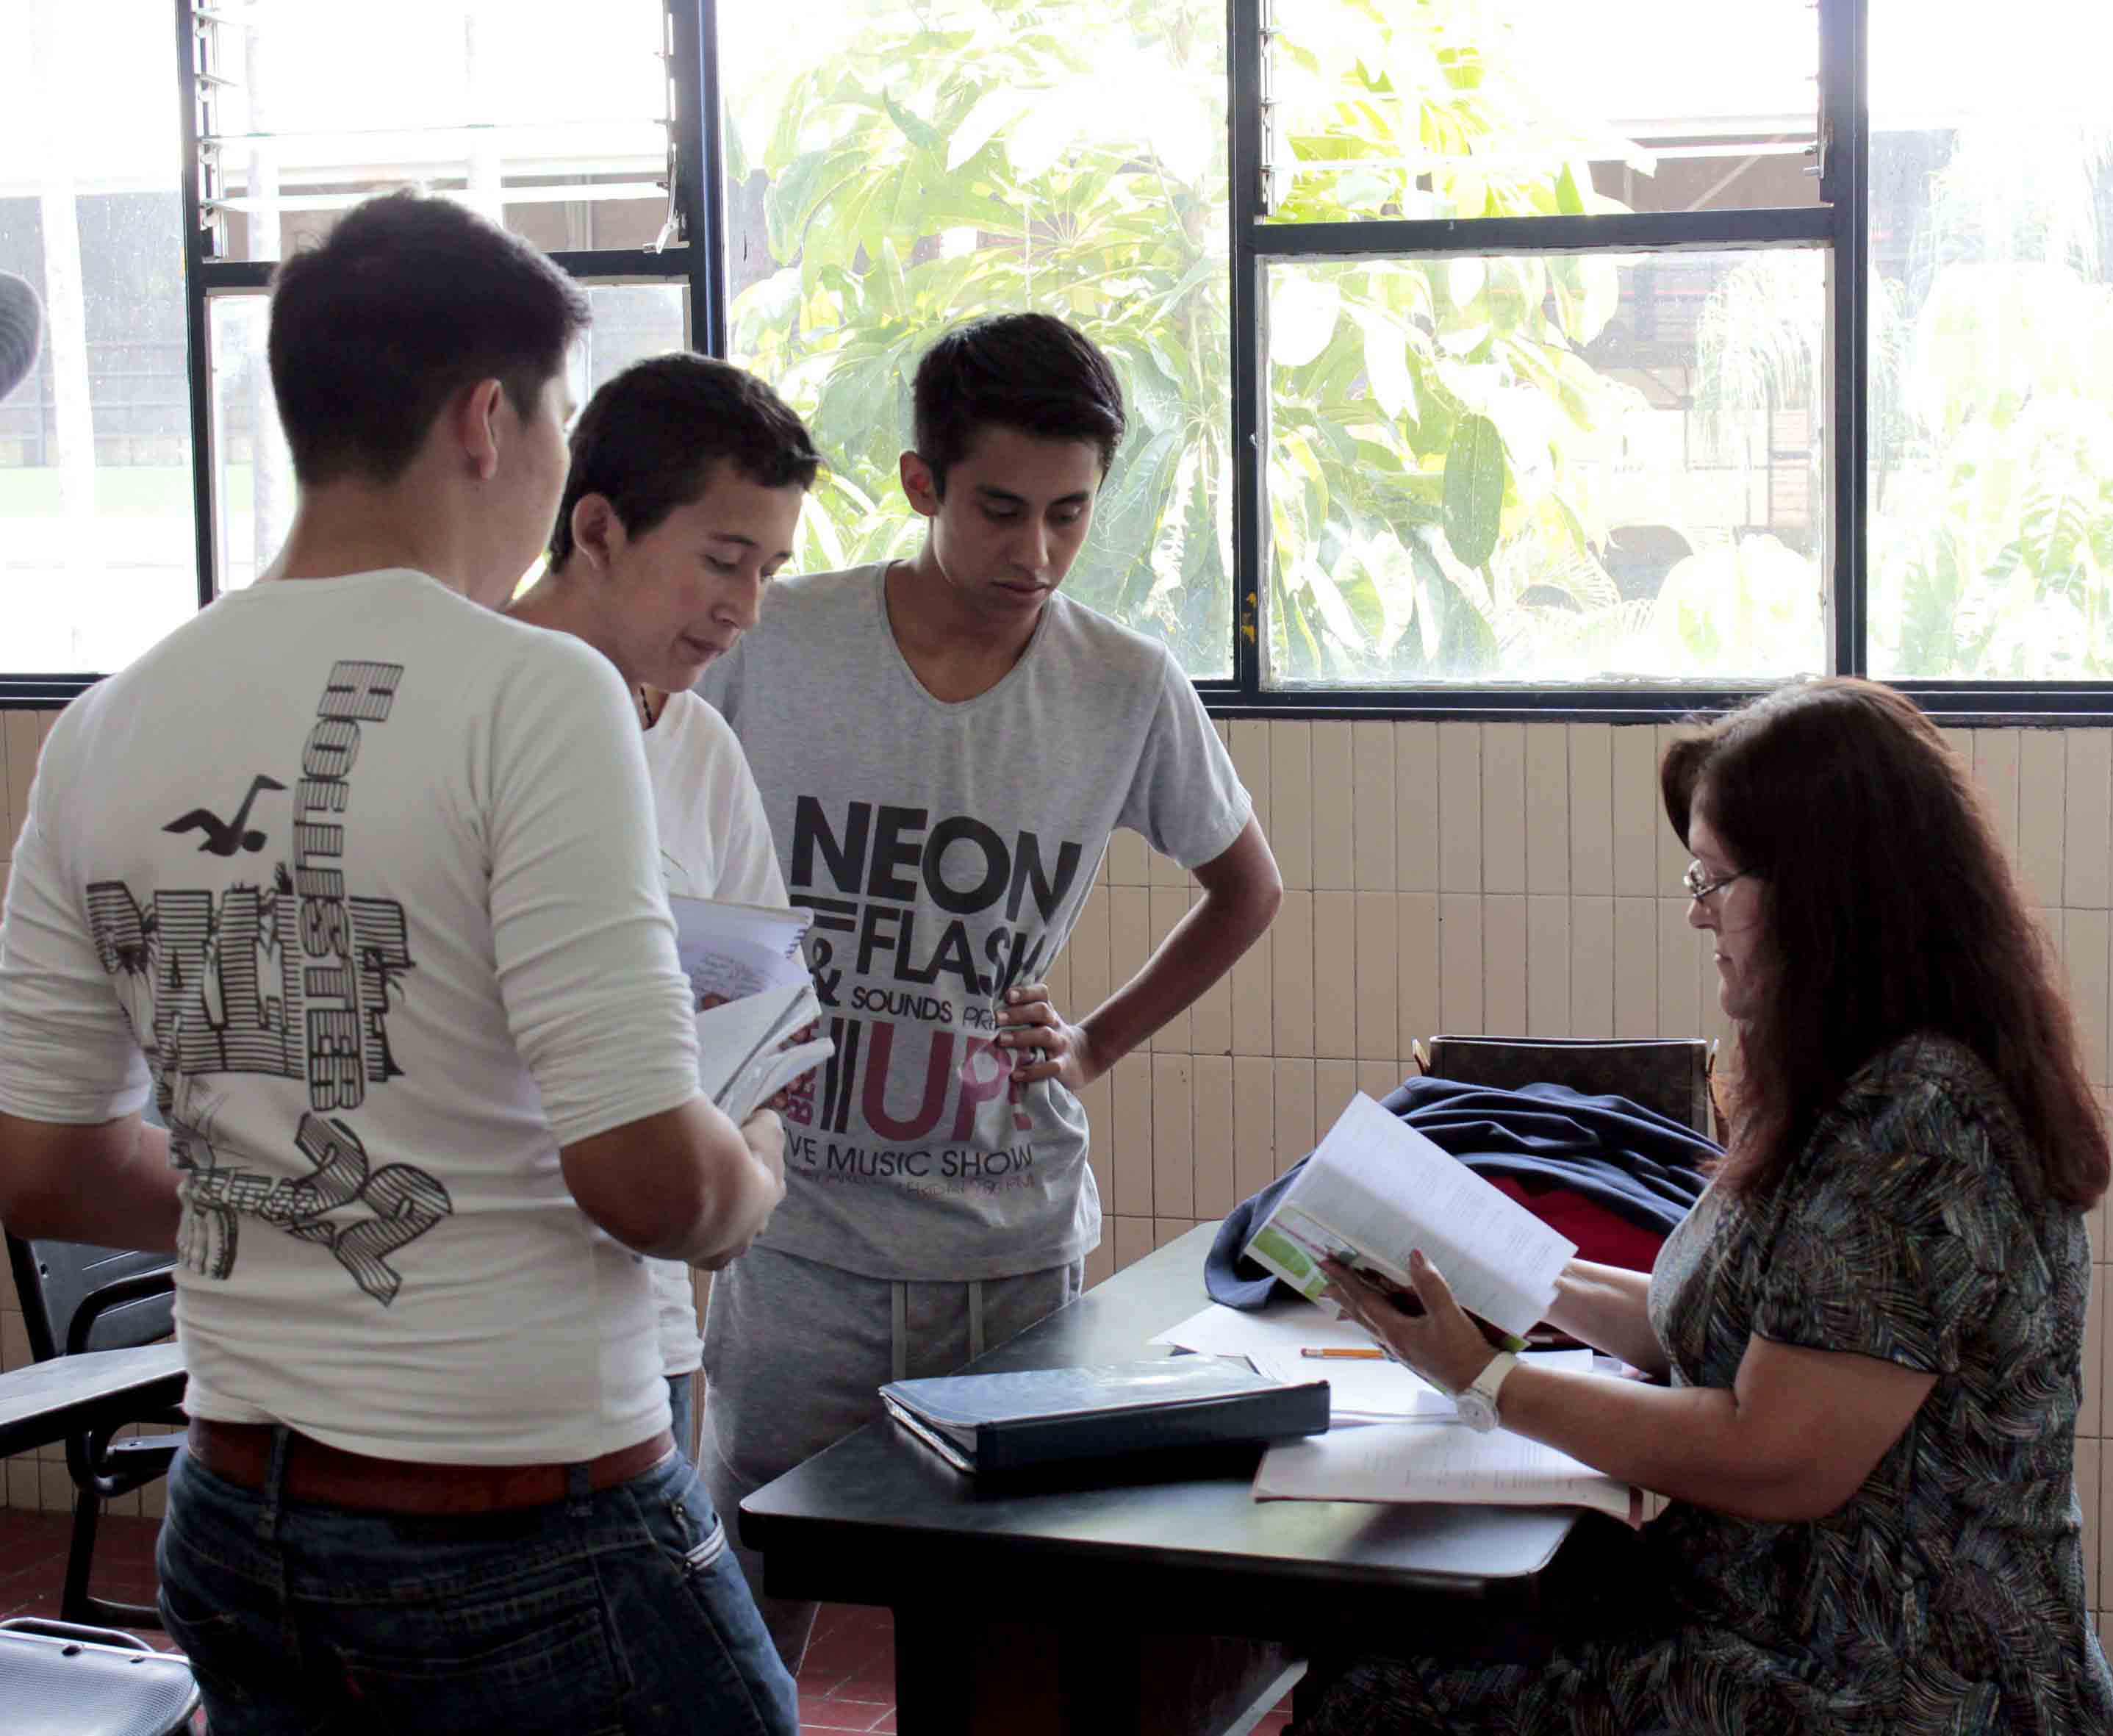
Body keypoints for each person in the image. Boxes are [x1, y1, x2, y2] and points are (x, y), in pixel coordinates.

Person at [0, 192, 798, 1735]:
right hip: (524, 1522)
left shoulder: (105, 721)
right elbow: (652, 1180)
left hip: (236, 1515)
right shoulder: (536, 691)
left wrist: (282, 1194)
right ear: (489, 421)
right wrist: (752, 1167)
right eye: (558, 417)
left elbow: (40, 1162)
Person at [1298, 677, 2113, 1736]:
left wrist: (1490, 1379)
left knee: (1381, 1693)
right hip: (1795, 1631)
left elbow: (1771, 1455)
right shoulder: (1853, 1081)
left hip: (1901, 1687)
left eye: (1715, 879)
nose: (1697, 912)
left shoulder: (1920, 1126)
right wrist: (1486, 1268)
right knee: (1396, 1650)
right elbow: (1706, 1324)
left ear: (1824, 893)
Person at [697, 310, 1284, 1667]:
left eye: (1070, 515)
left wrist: (1094, 1042)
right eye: (1001, 511)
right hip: (802, 1239)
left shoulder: (1123, 684)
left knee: (1011, 1650)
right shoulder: (776, 641)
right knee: (742, 1627)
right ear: (923, 483)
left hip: (1009, 1253)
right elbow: (663, 840)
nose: (1037, 554)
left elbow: (1247, 888)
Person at [508, 351, 822, 1455]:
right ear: (597, 529)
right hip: (472, 1333)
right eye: (723, 562)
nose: (746, 609)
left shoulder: (696, 742)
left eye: (769, 571)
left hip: (644, 1332)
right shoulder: (467, 708)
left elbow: (768, 1038)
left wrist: (747, 1175)